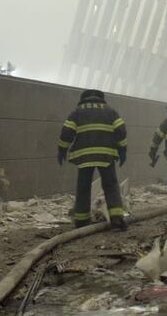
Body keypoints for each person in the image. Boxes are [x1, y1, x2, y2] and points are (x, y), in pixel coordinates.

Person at [58, 89, 128, 230]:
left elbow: (66, 133)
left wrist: (62, 150)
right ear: (101, 99)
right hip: (106, 155)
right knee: (111, 185)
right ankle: (117, 219)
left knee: (83, 187)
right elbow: (121, 131)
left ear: (84, 99)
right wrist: (122, 150)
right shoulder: (110, 111)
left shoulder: (76, 112)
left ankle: (82, 221)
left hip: (84, 157)